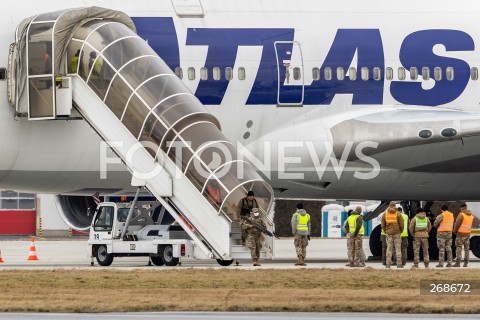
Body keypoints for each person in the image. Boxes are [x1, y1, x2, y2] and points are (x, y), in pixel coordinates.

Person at [381, 201, 404, 268]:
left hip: (388, 233)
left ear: (389, 205)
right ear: (395, 205)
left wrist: (386, 231)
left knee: (389, 249)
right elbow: (401, 224)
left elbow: (382, 225)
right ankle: (399, 264)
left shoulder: (385, 214)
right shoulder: (398, 214)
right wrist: (400, 231)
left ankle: (388, 264)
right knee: (398, 249)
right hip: (397, 233)